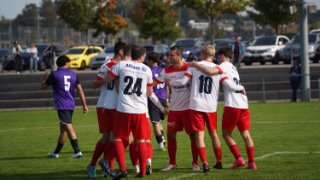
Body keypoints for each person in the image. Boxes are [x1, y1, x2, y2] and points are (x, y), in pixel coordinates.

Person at [169, 45, 245, 172]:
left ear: (202, 54)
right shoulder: (218, 68)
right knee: (213, 134)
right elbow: (229, 85)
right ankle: (219, 161)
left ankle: (204, 163)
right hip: (211, 106)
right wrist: (241, 88)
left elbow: (183, 82)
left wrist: (170, 82)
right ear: (213, 55)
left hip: (196, 105)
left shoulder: (193, 66)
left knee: (199, 135)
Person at [190, 47, 257, 170]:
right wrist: (241, 87)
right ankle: (252, 163)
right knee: (246, 135)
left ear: (223, 56)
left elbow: (210, 72)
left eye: (219, 57)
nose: (218, 59)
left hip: (233, 105)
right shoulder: (233, 67)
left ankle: (239, 159)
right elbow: (230, 83)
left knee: (226, 134)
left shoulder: (225, 65)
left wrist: (195, 64)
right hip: (243, 104)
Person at [103, 46, 154, 178]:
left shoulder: (121, 65)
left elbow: (108, 79)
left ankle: (123, 169)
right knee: (141, 140)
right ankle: (142, 171)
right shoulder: (147, 69)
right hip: (140, 109)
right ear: (142, 57)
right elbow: (149, 93)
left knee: (118, 138)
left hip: (123, 108)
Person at [154, 46, 199, 172]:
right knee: (170, 135)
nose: (169, 57)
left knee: (193, 136)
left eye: (172, 55)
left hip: (188, 109)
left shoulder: (189, 68)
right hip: (174, 109)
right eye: (169, 55)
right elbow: (155, 82)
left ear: (179, 56)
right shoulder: (166, 70)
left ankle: (195, 163)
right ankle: (172, 163)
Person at [87, 41, 127, 178]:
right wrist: (107, 79)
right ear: (121, 52)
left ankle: (107, 165)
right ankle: (95, 164)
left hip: (118, 106)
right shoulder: (108, 65)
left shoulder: (125, 66)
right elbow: (94, 84)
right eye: (126, 51)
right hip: (105, 105)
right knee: (110, 137)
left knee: (115, 138)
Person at [41, 55, 88, 159]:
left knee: (68, 126)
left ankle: (77, 151)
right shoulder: (74, 74)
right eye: (69, 62)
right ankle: (56, 152)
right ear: (66, 63)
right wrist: (84, 105)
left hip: (62, 105)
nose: (69, 64)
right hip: (71, 104)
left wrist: (44, 79)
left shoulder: (55, 74)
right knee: (63, 130)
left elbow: (43, 88)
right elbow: (80, 90)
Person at [146, 52, 168, 151]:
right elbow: (167, 85)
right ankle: (163, 140)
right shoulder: (163, 70)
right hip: (163, 98)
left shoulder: (148, 71)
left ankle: (161, 144)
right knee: (159, 121)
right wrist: (167, 99)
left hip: (154, 99)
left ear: (151, 60)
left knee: (155, 123)